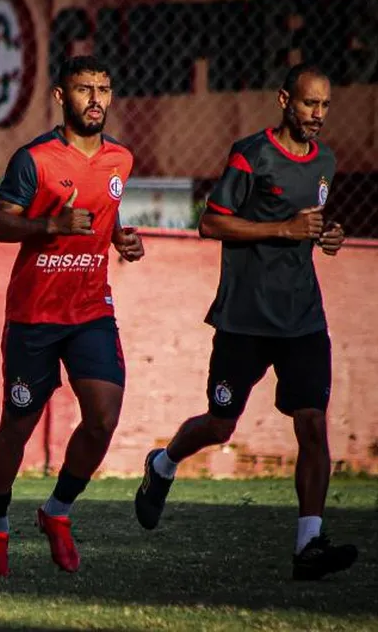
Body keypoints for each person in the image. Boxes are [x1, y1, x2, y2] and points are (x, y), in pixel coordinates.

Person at [134, 63, 357, 581]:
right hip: (244, 320)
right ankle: (163, 463)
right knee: (219, 425)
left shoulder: (326, 159)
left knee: (313, 425)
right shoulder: (251, 153)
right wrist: (283, 229)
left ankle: (308, 546)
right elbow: (209, 222)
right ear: (284, 100)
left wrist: (327, 237)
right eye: (308, 104)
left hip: (302, 318)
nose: (317, 115)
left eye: (324, 105)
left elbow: (312, 226)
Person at [0, 55, 144, 577]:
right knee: (18, 426)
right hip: (35, 314)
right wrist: (50, 223)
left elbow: (103, 213)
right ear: (60, 97)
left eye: (103, 88)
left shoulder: (121, 159)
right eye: (83, 89)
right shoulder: (36, 159)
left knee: (103, 416)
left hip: (91, 308)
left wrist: (120, 236)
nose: (95, 99)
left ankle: (57, 512)